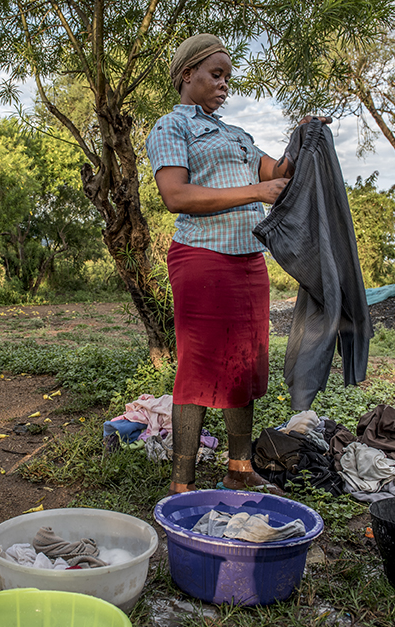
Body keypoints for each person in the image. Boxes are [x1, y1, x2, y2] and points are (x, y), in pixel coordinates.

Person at [146, 34, 326, 495]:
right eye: (216, 74)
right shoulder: (172, 127)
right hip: (203, 259)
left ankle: (239, 468)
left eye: (228, 76)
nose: (225, 84)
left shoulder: (236, 134)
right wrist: (254, 193)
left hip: (249, 262)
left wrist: (303, 138)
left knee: (243, 365)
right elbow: (176, 196)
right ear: (188, 75)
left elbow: (277, 172)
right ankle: (181, 483)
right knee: (200, 365)